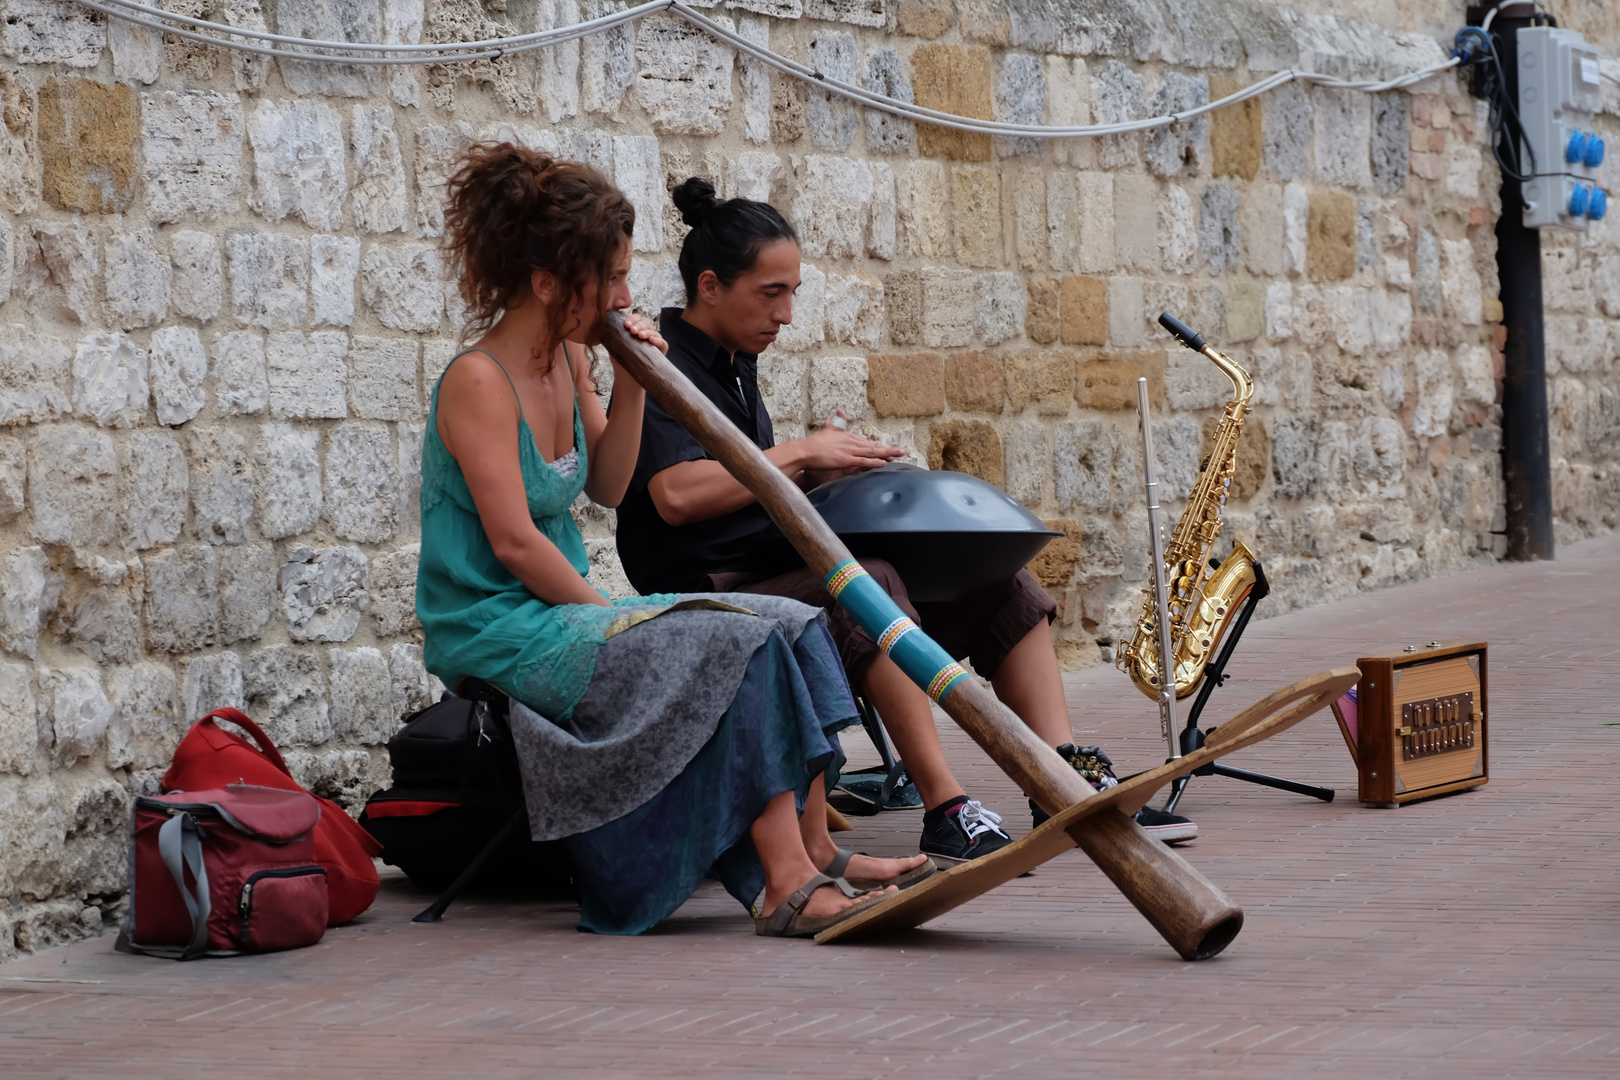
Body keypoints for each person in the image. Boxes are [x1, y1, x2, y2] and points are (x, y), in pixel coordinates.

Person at [415, 143, 929, 939]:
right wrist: (616, 619)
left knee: (791, 623)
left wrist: (633, 384)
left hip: (563, 615)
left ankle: (817, 846)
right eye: (612, 278)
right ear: (550, 283)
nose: (626, 295)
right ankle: (781, 884)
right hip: (496, 627)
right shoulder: (479, 380)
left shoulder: (573, 358)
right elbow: (516, 544)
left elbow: (610, 486)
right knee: (737, 645)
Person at [614, 178, 1198, 863]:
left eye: (793, 292)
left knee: (998, 583)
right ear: (709, 287)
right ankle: (947, 808)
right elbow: (676, 496)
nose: (788, 314)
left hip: (773, 575)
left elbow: (748, 482)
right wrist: (800, 452)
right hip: (710, 597)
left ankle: (1059, 780)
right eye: (771, 293)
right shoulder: (664, 361)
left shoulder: (737, 364)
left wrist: (822, 472)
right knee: (872, 583)